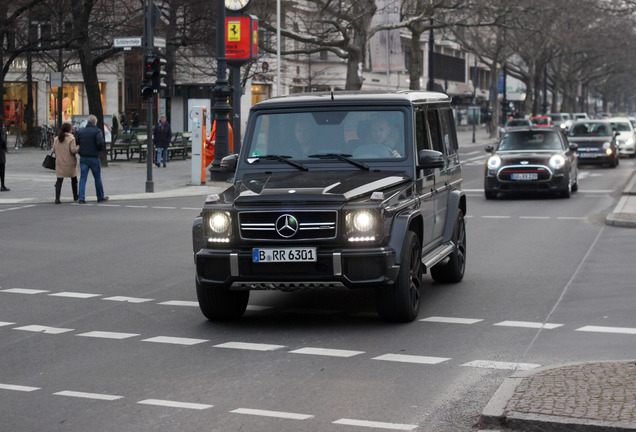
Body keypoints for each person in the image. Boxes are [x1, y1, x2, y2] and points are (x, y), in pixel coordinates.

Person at [76, 114, 108, 203]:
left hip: (84, 157)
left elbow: (77, 143)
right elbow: (100, 143)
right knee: (97, 177)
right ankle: (100, 196)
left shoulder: (81, 131)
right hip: (94, 157)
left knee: (83, 178)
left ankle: (81, 198)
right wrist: (98, 151)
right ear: (95, 122)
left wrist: (81, 152)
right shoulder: (97, 131)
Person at [51, 122, 79, 204]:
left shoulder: (57, 138)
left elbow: (53, 150)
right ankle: (75, 196)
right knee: (74, 179)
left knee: (59, 180)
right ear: (69, 129)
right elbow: (73, 150)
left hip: (59, 162)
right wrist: (79, 148)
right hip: (69, 162)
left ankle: (57, 198)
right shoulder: (71, 138)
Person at [0, 116, 9, 191]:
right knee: (2, 168)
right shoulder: (2, 130)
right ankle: (2, 185)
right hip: (0, 152)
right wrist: (5, 148)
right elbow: (3, 140)